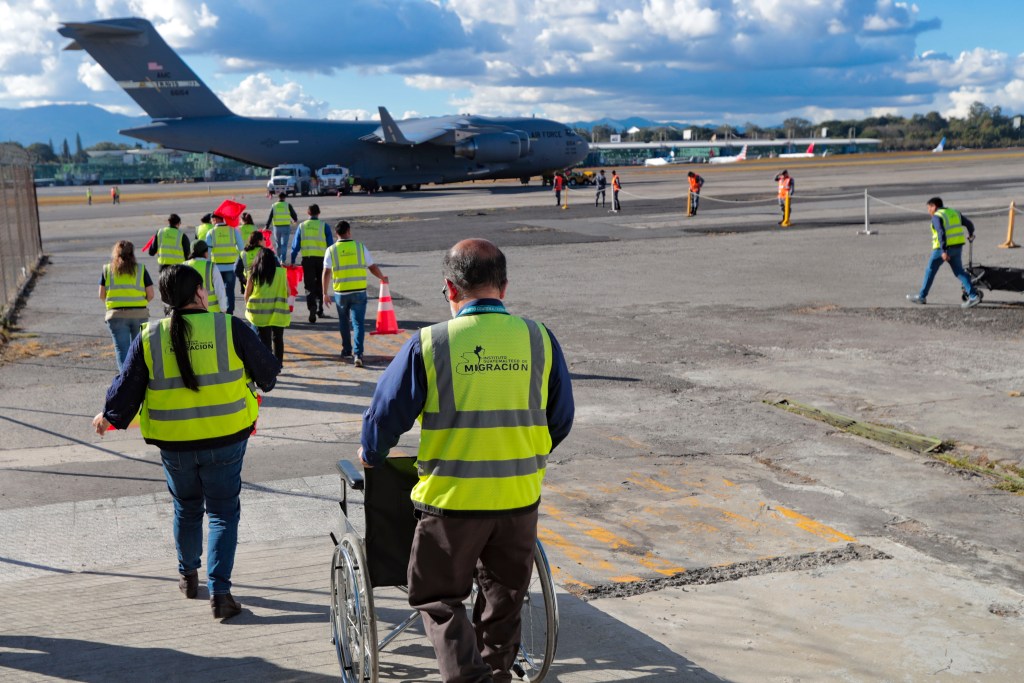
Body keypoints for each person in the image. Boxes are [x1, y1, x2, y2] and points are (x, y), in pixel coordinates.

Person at [360, 238, 574, 682]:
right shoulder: (539, 339)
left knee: (437, 598)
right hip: (519, 499)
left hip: (451, 502)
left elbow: (384, 415)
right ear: (505, 286)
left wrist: (371, 453)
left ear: (450, 289)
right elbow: (561, 419)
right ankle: (495, 674)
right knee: (504, 600)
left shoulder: (432, 343)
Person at [92, 265, 281, 620]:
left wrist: (109, 416)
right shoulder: (228, 326)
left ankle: (188, 576)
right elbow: (268, 375)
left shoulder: (149, 335)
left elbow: (127, 389)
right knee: (223, 512)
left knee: (187, 507)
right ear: (198, 293)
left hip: (175, 445)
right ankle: (221, 594)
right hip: (226, 440)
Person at [321, 220, 387, 367]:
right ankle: (358, 353)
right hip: (359, 292)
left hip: (341, 293)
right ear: (349, 231)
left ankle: (346, 350)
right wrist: (382, 277)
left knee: (344, 322)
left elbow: (326, 272)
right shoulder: (360, 247)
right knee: (358, 324)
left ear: (336, 234)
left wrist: (325, 293)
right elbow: (372, 267)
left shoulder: (331, 250)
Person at [907, 197, 981, 308]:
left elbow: (941, 232)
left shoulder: (937, 216)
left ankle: (922, 297)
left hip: (942, 250)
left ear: (934, 206)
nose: (928, 211)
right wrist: (970, 234)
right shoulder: (955, 212)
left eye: (929, 208)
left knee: (930, 270)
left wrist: (943, 251)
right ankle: (973, 296)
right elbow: (970, 224)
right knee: (959, 272)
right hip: (957, 247)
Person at [99, 240, 154, 372]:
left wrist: (112, 303)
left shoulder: (107, 269)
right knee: (138, 349)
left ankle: (125, 379)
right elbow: (151, 294)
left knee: (121, 349)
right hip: (139, 314)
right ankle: (138, 377)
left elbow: (101, 294)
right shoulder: (141, 269)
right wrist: (140, 303)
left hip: (116, 314)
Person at [245, 247, 291, 362]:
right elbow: (288, 292)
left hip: (260, 314)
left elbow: (247, 294)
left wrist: (248, 306)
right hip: (278, 313)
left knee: (265, 342)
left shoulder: (254, 273)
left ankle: (267, 366)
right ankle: (278, 364)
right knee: (278, 339)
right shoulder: (281, 273)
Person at [289, 203, 334, 323]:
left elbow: (295, 246)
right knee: (321, 284)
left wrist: (293, 260)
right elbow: (330, 246)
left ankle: (312, 308)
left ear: (308, 213)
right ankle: (320, 309)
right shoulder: (324, 226)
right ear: (318, 213)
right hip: (322, 260)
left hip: (307, 260)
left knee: (309, 286)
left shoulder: (302, 226)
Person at [206, 212, 245, 314]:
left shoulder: (211, 233)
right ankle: (229, 312)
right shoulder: (233, 231)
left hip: (216, 268)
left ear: (215, 220)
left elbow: (207, 253)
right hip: (231, 267)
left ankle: (219, 311)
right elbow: (241, 248)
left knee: (217, 291)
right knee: (230, 292)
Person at [183, 240, 227, 314]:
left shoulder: (184, 266)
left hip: (189, 312)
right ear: (205, 253)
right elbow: (220, 290)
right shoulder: (211, 267)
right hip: (211, 312)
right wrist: (223, 309)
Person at [237, 230, 264, 297]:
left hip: (248, 285)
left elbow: (237, 270)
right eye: (263, 239)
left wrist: (244, 281)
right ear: (259, 241)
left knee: (250, 305)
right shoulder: (264, 252)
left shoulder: (243, 253)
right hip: (263, 284)